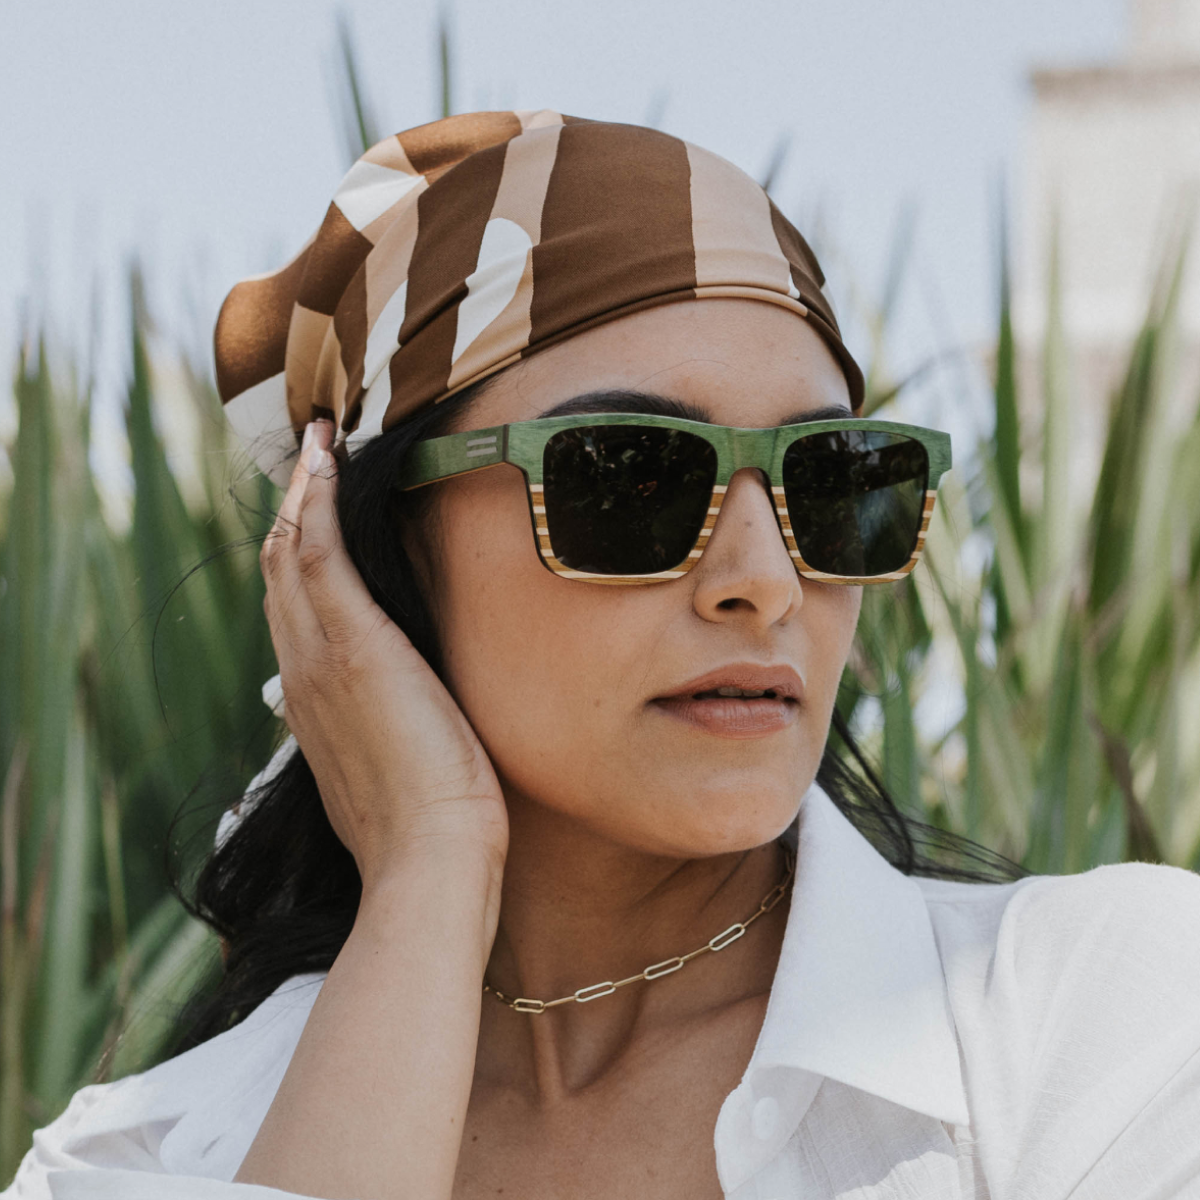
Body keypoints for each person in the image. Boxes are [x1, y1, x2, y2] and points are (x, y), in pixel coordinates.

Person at [7, 111, 1200, 1200]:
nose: (766, 583)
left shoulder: (1110, 1018)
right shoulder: (131, 1163)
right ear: (368, 554)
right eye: (628, 477)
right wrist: (430, 867)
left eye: (835, 484)